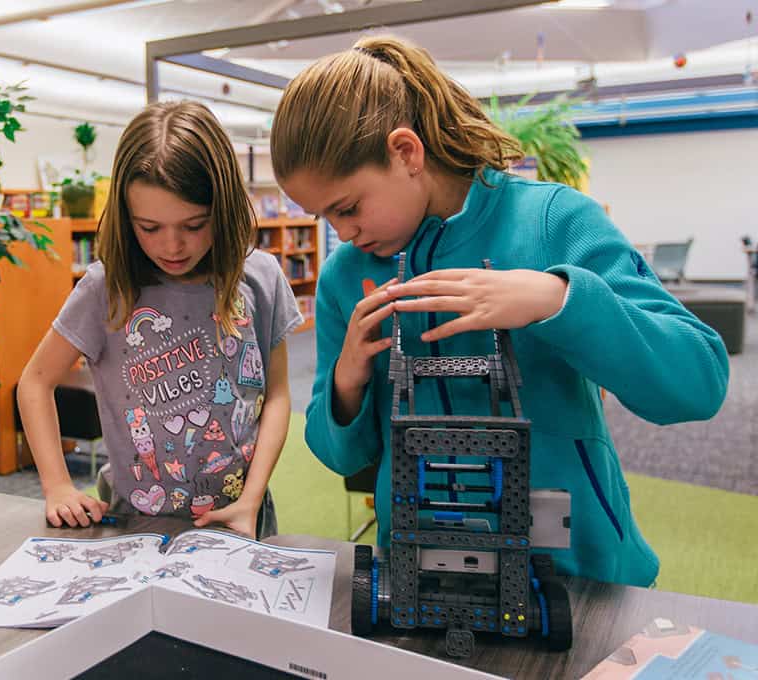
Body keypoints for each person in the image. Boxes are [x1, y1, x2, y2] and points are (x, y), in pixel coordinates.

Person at [269, 35, 728, 585]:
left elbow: (698, 382)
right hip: (422, 576)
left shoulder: (555, 221)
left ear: (406, 152)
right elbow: (340, 456)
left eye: (347, 208)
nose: (343, 233)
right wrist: (346, 385)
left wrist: (557, 299)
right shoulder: (347, 277)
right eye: (323, 217)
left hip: (579, 576)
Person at [17, 101, 302, 539]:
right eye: (149, 227)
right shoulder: (105, 288)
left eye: (194, 224)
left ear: (223, 208)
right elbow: (35, 382)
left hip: (241, 516)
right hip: (134, 522)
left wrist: (251, 497)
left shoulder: (260, 277)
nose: (172, 246)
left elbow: (278, 395)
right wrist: (57, 486)